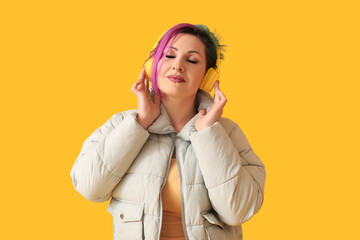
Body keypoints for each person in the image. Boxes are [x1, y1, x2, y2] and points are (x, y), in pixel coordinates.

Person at [70, 23, 266, 240]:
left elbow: (237, 210)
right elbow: (89, 188)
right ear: (153, 64)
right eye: (169, 56)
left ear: (208, 77)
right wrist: (140, 124)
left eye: (192, 60)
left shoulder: (227, 133)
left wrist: (208, 134)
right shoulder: (121, 124)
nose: (178, 66)